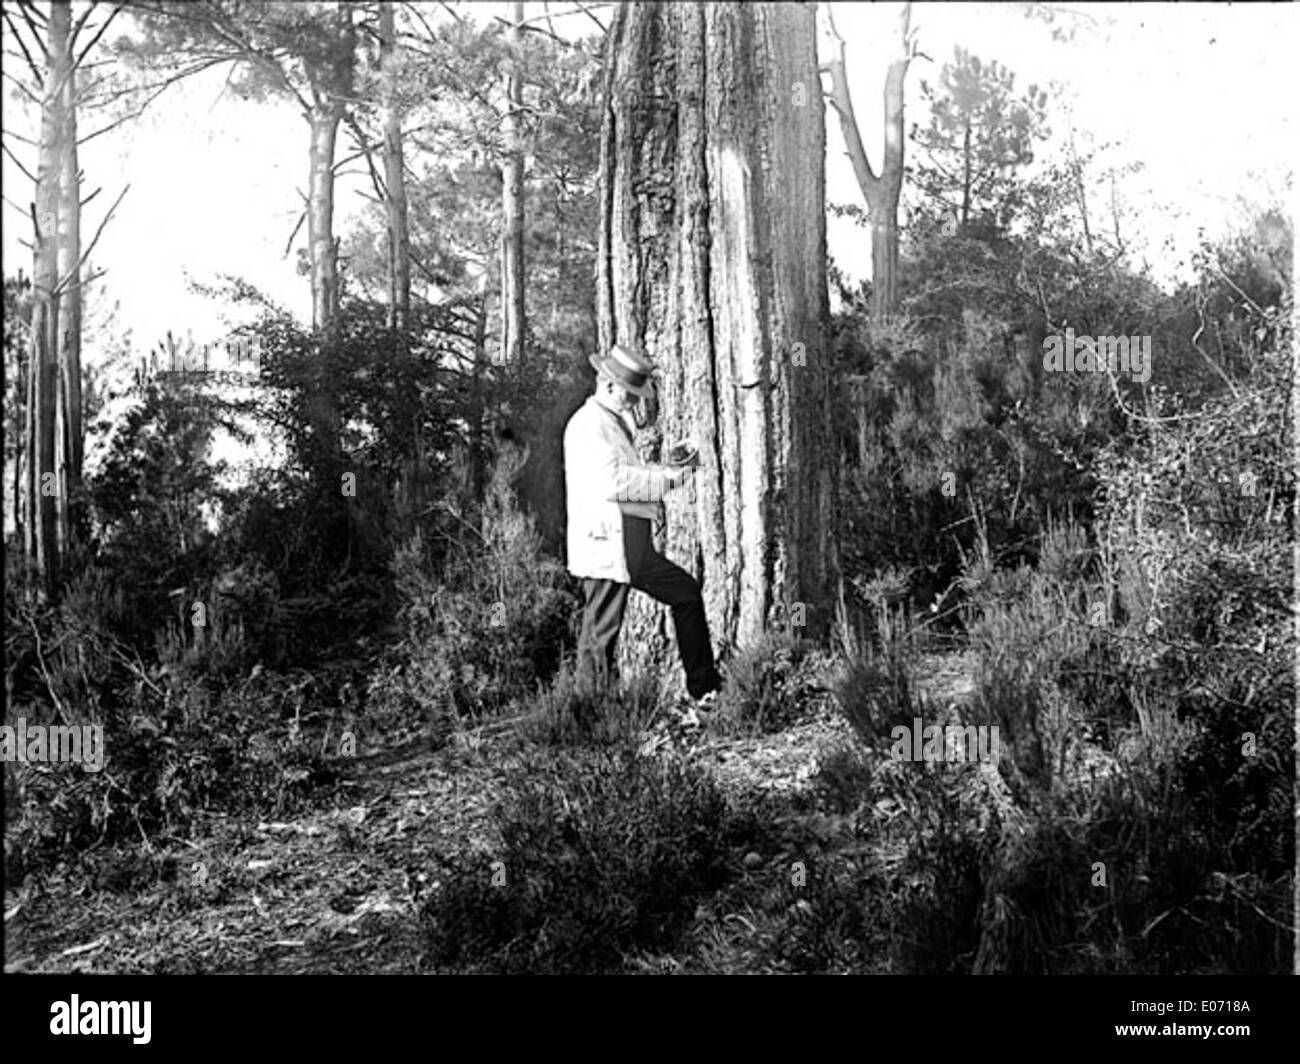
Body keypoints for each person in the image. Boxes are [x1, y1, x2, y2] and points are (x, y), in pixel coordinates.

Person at [563, 342, 722, 716]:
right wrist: (669, 478)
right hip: (606, 546)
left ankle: (705, 688)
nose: (635, 402)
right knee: (598, 639)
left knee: (685, 594)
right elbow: (616, 484)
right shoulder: (589, 426)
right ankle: (589, 719)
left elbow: (630, 478)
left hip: (632, 547)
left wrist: (672, 471)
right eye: (631, 394)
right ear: (610, 386)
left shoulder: (611, 424)